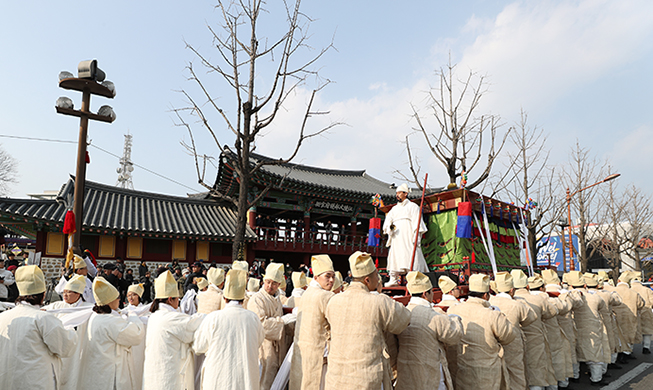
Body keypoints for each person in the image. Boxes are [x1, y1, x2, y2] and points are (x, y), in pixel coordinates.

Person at [325, 251, 411, 389]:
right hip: (365, 378)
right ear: (367, 280)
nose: (378, 280)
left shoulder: (333, 301)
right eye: (376, 276)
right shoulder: (378, 301)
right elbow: (403, 321)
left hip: (336, 377)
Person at [0, 265, 77, 390]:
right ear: (43, 294)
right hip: (34, 381)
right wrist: (69, 328)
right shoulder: (43, 318)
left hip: (6, 381)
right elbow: (65, 347)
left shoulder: (3, 317)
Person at [194, 269, 264, 390]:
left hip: (218, 379)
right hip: (245, 379)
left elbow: (199, 347)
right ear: (243, 299)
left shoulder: (213, 318)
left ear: (224, 298)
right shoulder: (253, 318)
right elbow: (258, 341)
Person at [395, 271, 463, 390]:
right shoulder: (433, 316)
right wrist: (455, 319)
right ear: (425, 294)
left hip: (406, 375)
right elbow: (454, 335)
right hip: (431, 376)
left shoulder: (403, 313)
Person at [448, 274, 516, 390]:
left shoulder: (453, 309)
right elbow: (509, 336)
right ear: (485, 295)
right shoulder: (493, 315)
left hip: (462, 368)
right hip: (487, 372)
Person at [78, 276, 144, 390]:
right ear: (110, 301)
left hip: (98, 369)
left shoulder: (96, 315)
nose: (119, 300)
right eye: (117, 298)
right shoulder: (111, 321)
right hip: (110, 373)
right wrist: (133, 316)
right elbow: (136, 335)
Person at [143, 270, 204, 390]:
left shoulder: (155, 316)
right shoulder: (170, 318)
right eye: (178, 298)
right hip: (169, 376)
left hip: (156, 373)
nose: (179, 301)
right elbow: (193, 324)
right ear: (170, 299)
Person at [289, 255, 336, 390]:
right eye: (327, 276)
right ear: (316, 277)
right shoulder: (326, 296)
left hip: (304, 350)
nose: (332, 280)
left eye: (333, 276)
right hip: (320, 353)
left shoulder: (307, 293)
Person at [248, 262, 296, 390]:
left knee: (275, 379)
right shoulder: (257, 299)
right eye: (268, 282)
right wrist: (282, 321)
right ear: (263, 280)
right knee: (263, 380)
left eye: (274, 283)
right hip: (263, 348)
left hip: (278, 347)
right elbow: (260, 324)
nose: (270, 286)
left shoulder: (277, 299)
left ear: (279, 285)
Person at [488, 272, 538, 390]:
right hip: (513, 345)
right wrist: (522, 301)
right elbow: (531, 318)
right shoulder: (516, 304)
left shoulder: (490, 302)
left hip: (494, 346)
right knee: (516, 377)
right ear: (511, 290)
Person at [511, 269, 557, 390]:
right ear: (527, 286)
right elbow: (552, 312)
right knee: (536, 369)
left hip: (512, 342)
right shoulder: (538, 300)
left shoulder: (501, 302)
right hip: (535, 340)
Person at [565, 271, 610, 386]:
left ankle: (575, 377)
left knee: (573, 353)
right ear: (585, 285)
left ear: (570, 285)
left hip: (570, 328)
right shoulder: (595, 297)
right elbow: (603, 310)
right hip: (591, 329)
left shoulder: (565, 297)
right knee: (594, 354)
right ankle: (596, 379)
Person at [382, 183, 428, 286]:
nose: (397, 195)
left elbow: (417, 222)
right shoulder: (394, 209)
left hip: (408, 234)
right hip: (396, 237)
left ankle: (412, 279)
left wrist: (417, 235)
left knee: (410, 254)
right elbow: (387, 221)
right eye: (396, 193)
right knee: (395, 255)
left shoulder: (413, 206)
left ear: (405, 194)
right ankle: (393, 279)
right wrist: (389, 227)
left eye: (399, 193)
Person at [630, 273, 653, 354]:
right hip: (646, 311)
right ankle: (646, 347)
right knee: (647, 331)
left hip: (633, 311)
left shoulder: (630, 289)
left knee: (632, 330)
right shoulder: (647, 290)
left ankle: (630, 349)